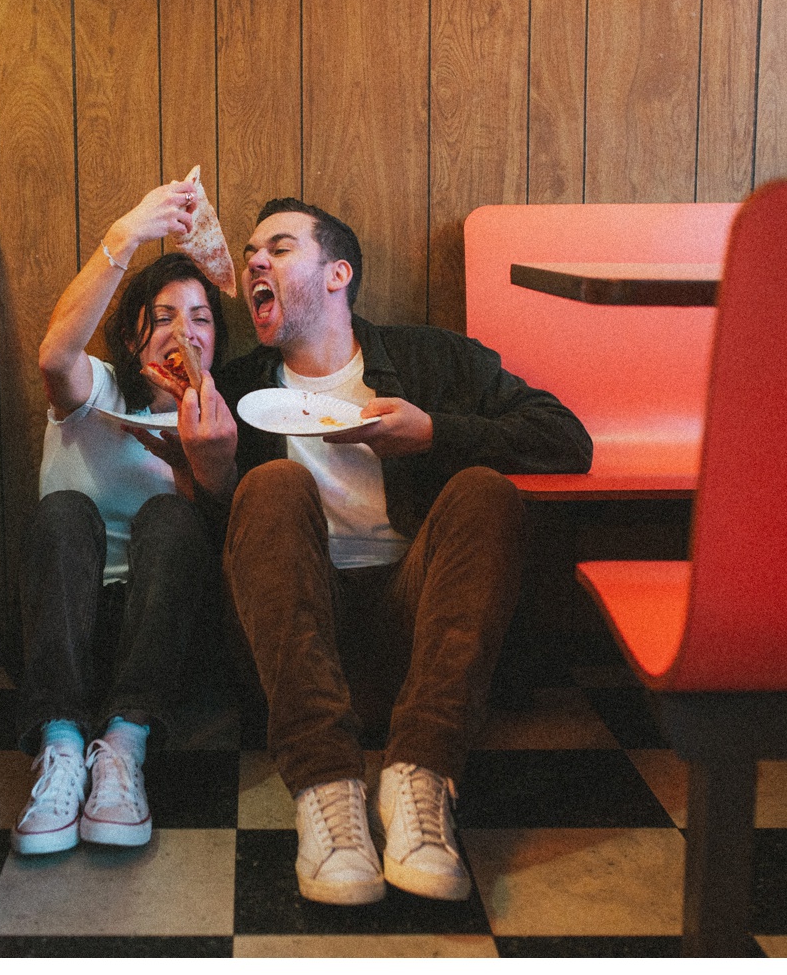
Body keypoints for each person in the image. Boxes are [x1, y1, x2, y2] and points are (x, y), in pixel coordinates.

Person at [215, 199, 592, 905]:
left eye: (281, 247)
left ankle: (421, 778)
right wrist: (208, 472)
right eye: (250, 252)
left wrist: (436, 434)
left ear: (338, 274)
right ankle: (326, 793)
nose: (255, 262)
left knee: (485, 491)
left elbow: (567, 438)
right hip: (296, 655)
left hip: (419, 641)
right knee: (271, 484)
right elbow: (224, 556)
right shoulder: (233, 388)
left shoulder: (430, 359)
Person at [12, 180, 239, 854]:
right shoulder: (96, 385)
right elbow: (54, 355)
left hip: (160, 647)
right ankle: (57, 749)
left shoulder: (214, 411)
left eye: (199, 317)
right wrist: (130, 232)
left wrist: (203, 461)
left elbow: (217, 539)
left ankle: (122, 752)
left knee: (173, 517)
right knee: (63, 512)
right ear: (132, 324)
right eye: (162, 314)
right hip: (62, 632)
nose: (181, 331)